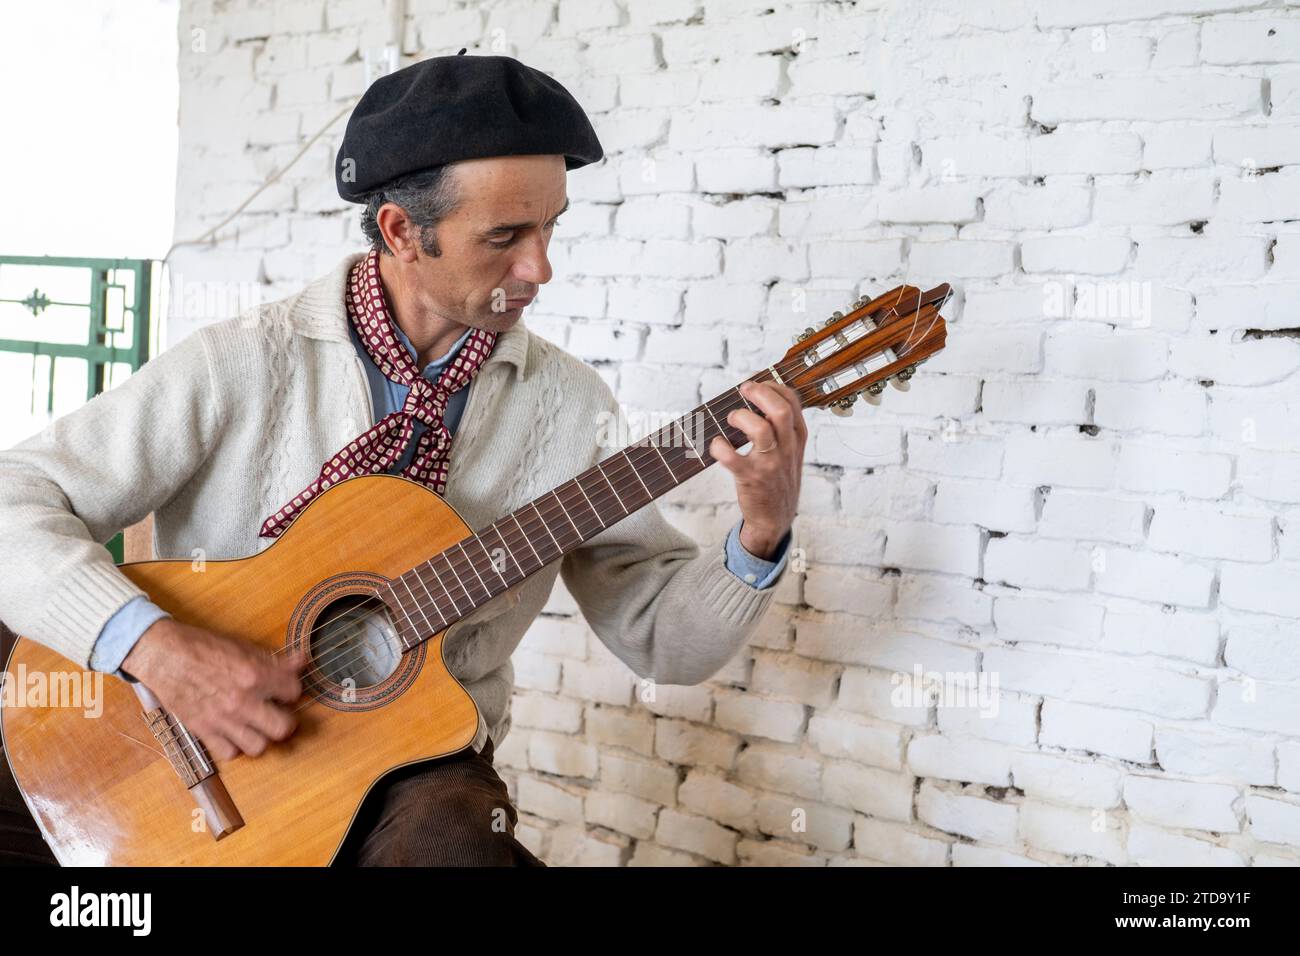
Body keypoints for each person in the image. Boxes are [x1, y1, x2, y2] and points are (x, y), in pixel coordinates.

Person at [0, 51, 804, 866]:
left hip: (412, 770)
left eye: (552, 225)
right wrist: (158, 648)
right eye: (505, 236)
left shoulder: (571, 408)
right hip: (180, 719)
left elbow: (662, 643)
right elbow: (12, 501)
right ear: (400, 231)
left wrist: (762, 532)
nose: (540, 268)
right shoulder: (240, 361)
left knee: (460, 841)